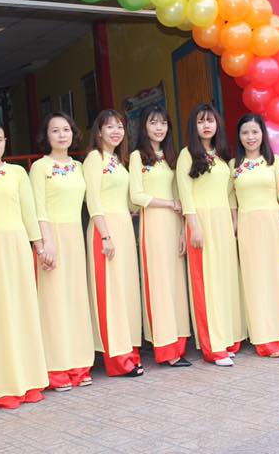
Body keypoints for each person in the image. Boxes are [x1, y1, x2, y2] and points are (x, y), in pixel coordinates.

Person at [0, 120, 49, 409]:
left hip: (16, 247)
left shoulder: (17, 173)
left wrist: (39, 245)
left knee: (21, 311)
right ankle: (1, 386)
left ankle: (29, 381)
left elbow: (29, 212)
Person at [29, 113, 95, 390]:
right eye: (55, 130)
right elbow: (38, 207)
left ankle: (80, 365)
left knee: (76, 300)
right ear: (46, 136)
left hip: (74, 237)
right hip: (51, 237)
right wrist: (46, 243)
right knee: (53, 304)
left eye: (66, 129)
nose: (61, 135)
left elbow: (93, 200)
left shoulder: (78, 167)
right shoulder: (40, 167)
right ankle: (56, 369)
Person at [176, 103, 244, 367]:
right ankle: (213, 347)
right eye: (201, 121)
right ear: (193, 126)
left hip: (223, 223)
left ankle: (226, 338)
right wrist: (194, 225)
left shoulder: (222, 156)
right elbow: (185, 193)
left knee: (224, 281)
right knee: (206, 284)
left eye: (210, 121)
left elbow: (230, 192)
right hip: (201, 222)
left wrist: (234, 220)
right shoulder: (187, 155)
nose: (206, 125)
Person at [129, 106, 191, 367]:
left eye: (163, 123)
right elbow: (136, 196)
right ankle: (166, 348)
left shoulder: (170, 157)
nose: (159, 128)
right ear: (144, 126)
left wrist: (183, 229)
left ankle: (179, 344)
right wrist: (169, 204)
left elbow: (179, 192)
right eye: (153, 123)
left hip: (174, 224)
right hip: (153, 224)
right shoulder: (137, 157)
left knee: (176, 284)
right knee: (159, 284)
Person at [83, 109, 144, 377]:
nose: (116, 131)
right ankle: (118, 360)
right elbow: (93, 199)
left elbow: (130, 200)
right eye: (109, 127)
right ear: (99, 132)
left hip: (124, 227)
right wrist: (105, 235)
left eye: (120, 126)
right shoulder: (94, 158)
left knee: (126, 291)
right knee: (111, 294)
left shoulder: (119, 161)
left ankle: (130, 352)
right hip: (104, 229)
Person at [231, 114, 279, 358]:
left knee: (275, 279)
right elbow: (232, 201)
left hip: (271, 224)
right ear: (239, 136)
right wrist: (233, 228)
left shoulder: (274, 161)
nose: (250, 137)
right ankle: (263, 339)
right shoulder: (234, 165)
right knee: (254, 281)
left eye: (255, 132)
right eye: (245, 132)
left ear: (262, 134)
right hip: (247, 226)